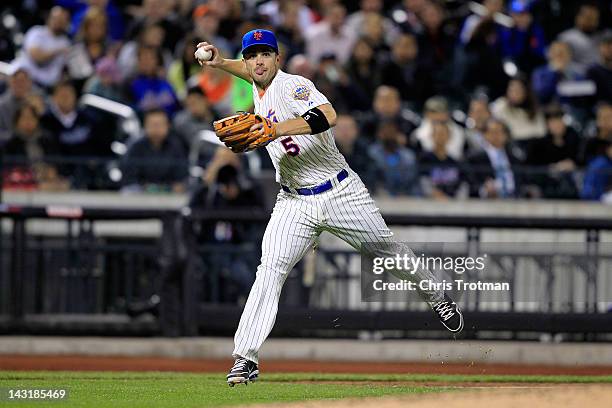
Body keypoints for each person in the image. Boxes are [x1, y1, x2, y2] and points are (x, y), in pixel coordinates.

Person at [196, 28, 464, 386]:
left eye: (265, 53)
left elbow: (328, 114)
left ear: (279, 58)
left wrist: (275, 129)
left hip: (340, 192)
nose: (258, 60)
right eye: (252, 55)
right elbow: (251, 74)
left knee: (386, 251)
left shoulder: (294, 85)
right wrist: (220, 63)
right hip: (293, 200)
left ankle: (435, 295)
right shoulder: (257, 80)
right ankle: (245, 357)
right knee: (270, 270)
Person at [120, 109, 187, 193]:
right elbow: (129, 177)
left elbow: (181, 175)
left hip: (168, 190)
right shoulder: (135, 146)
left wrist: (175, 186)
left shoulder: (176, 145)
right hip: (141, 191)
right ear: (145, 126)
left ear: (168, 126)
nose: (157, 129)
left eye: (160, 125)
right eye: (153, 125)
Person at [14, 6, 72, 88]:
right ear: (49, 18)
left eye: (62, 20)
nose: (58, 22)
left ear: (67, 23)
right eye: (56, 18)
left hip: (48, 87)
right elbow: (37, 57)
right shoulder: (37, 32)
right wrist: (57, 51)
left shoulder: (66, 43)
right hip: (25, 80)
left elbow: (66, 69)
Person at [466, 118, 521, 198]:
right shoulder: (474, 158)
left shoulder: (515, 159)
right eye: (492, 132)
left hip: (515, 202)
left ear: (506, 135)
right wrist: (484, 190)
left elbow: (522, 183)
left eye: (500, 132)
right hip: (486, 203)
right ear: (484, 135)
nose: (496, 135)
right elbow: (471, 184)